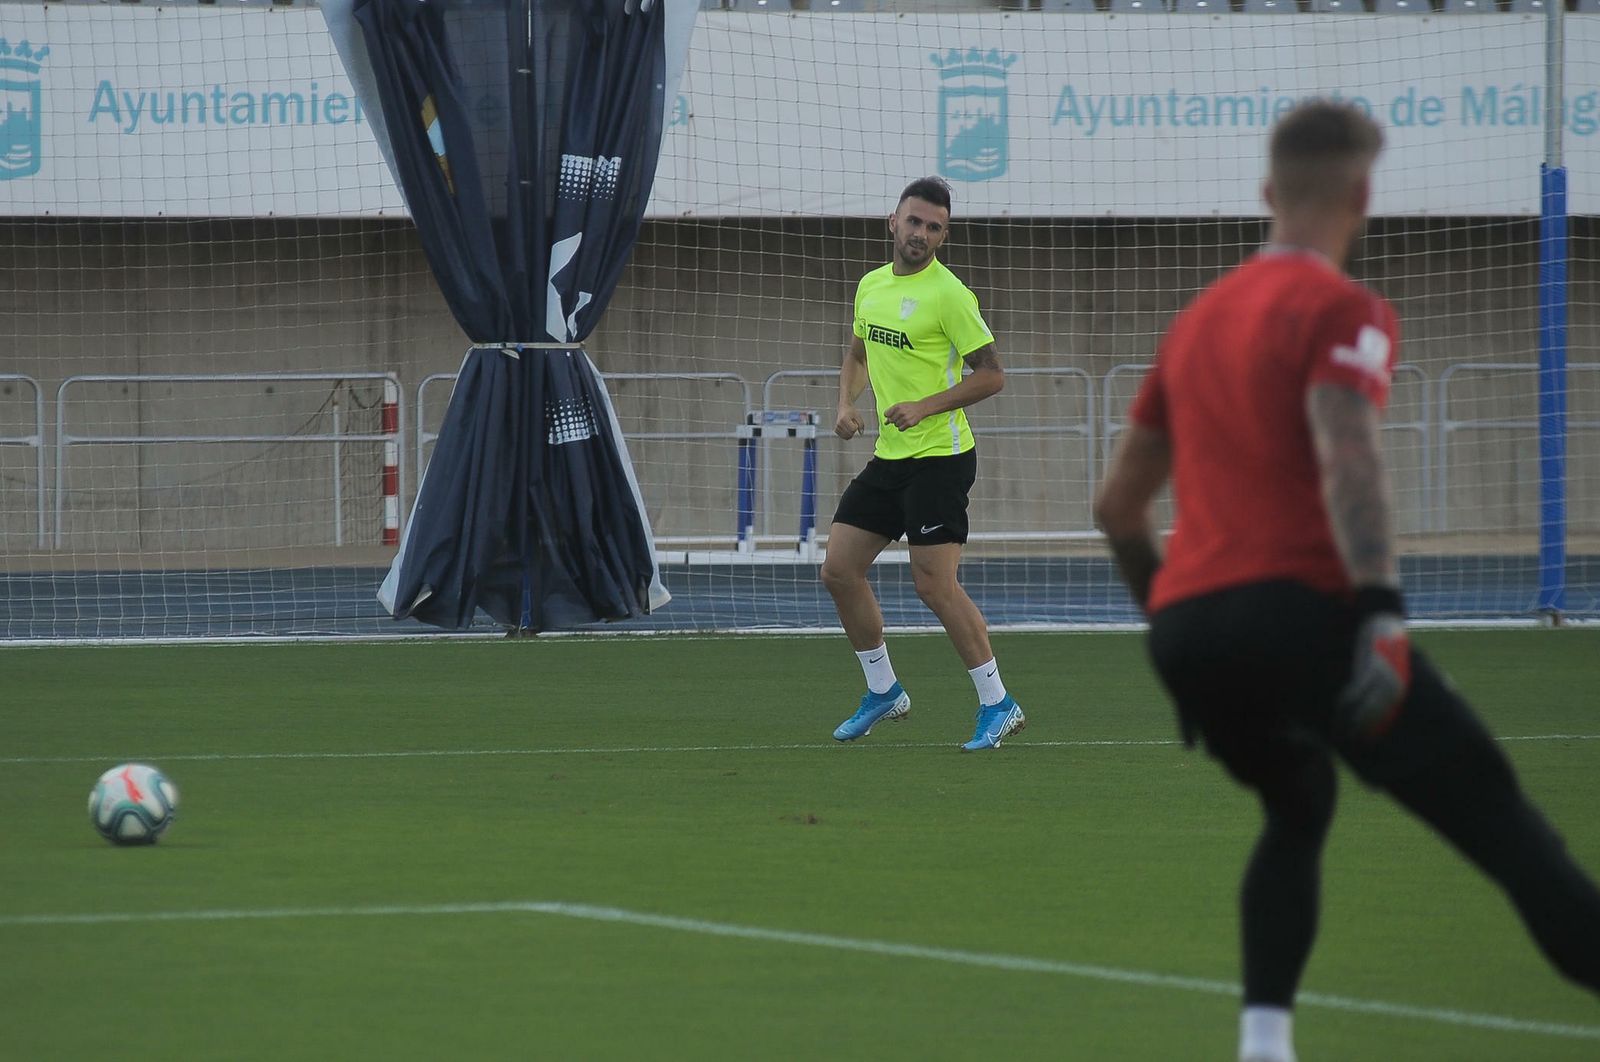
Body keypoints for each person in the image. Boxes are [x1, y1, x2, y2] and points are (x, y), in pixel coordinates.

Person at [1094, 99, 1600, 1062]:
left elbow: (1117, 509)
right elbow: (1349, 452)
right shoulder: (1343, 309)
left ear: (1266, 194)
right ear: (1364, 195)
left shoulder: (1194, 324)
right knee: (1506, 827)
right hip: (1305, 616)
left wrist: (1175, 635)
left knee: (1298, 802)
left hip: (1189, 631)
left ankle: (1264, 1043)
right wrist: (1379, 610)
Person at [821, 175, 1024, 752]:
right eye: (914, 221)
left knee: (934, 586)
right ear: (893, 222)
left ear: (944, 235)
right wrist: (845, 403)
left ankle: (998, 702)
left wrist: (925, 407)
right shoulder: (871, 287)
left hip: (941, 459)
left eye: (934, 227)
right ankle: (883, 691)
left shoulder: (950, 295)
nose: (921, 234)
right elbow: (859, 352)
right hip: (891, 457)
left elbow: (992, 374)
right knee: (839, 570)